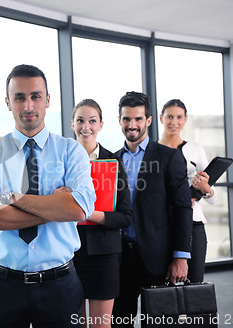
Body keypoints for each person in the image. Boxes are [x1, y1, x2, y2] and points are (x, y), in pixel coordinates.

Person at [0, 64, 96, 328]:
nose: (28, 105)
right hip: (2, 286)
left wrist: (15, 199)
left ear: (47, 100)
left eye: (36, 96)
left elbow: (79, 209)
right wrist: (53, 207)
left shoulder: (71, 151)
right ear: (8, 102)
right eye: (19, 97)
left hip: (60, 285)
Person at [111, 91, 193, 327]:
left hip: (157, 257)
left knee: (158, 322)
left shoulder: (169, 157)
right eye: (126, 119)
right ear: (119, 121)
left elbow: (182, 208)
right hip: (120, 258)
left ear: (148, 120)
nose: (132, 125)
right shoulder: (111, 161)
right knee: (119, 321)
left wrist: (180, 256)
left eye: (138, 119)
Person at [71, 99, 132, 328]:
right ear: (72, 124)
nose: (86, 127)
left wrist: (89, 214)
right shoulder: (60, 160)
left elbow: (125, 216)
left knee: (99, 325)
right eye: (80, 120)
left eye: (92, 121)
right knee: (73, 323)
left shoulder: (114, 162)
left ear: (101, 125)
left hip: (103, 255)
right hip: (68, 251)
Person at [158, 99, 216, 283]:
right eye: (169, 117)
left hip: (194, 223)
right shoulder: (153, 151)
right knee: (163, 285)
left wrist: (204, 188)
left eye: (179, 117)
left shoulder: (195, 150)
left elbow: (212, 198)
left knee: (195, 283)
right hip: (163, 226)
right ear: (161, 118)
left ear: (185, 119)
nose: (174, 122)